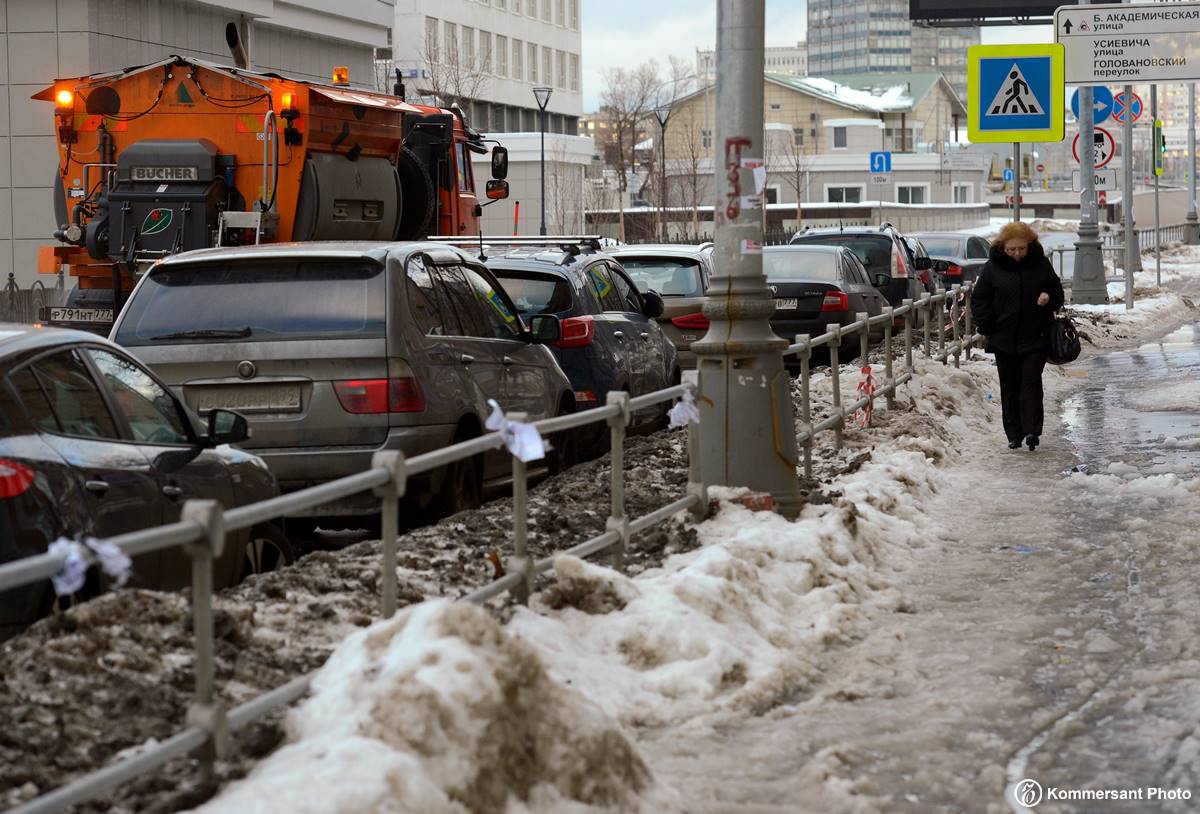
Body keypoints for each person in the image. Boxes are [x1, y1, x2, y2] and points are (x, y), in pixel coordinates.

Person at [970, 221, 1065, 451]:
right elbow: (979, 299)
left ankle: (1032, 431)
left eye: (1021, 249)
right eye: (1011, 249)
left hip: (1036, 336)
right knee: (1010, 386)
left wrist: (1048, 298)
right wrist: (987, 322)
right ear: (1003, 247)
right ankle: (1014, 433)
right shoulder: (993, 268)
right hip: (1004, 339)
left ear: (1030, 245)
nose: (1017, 254)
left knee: (1031, 382)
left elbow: (1058, 293)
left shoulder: (1041, 265)